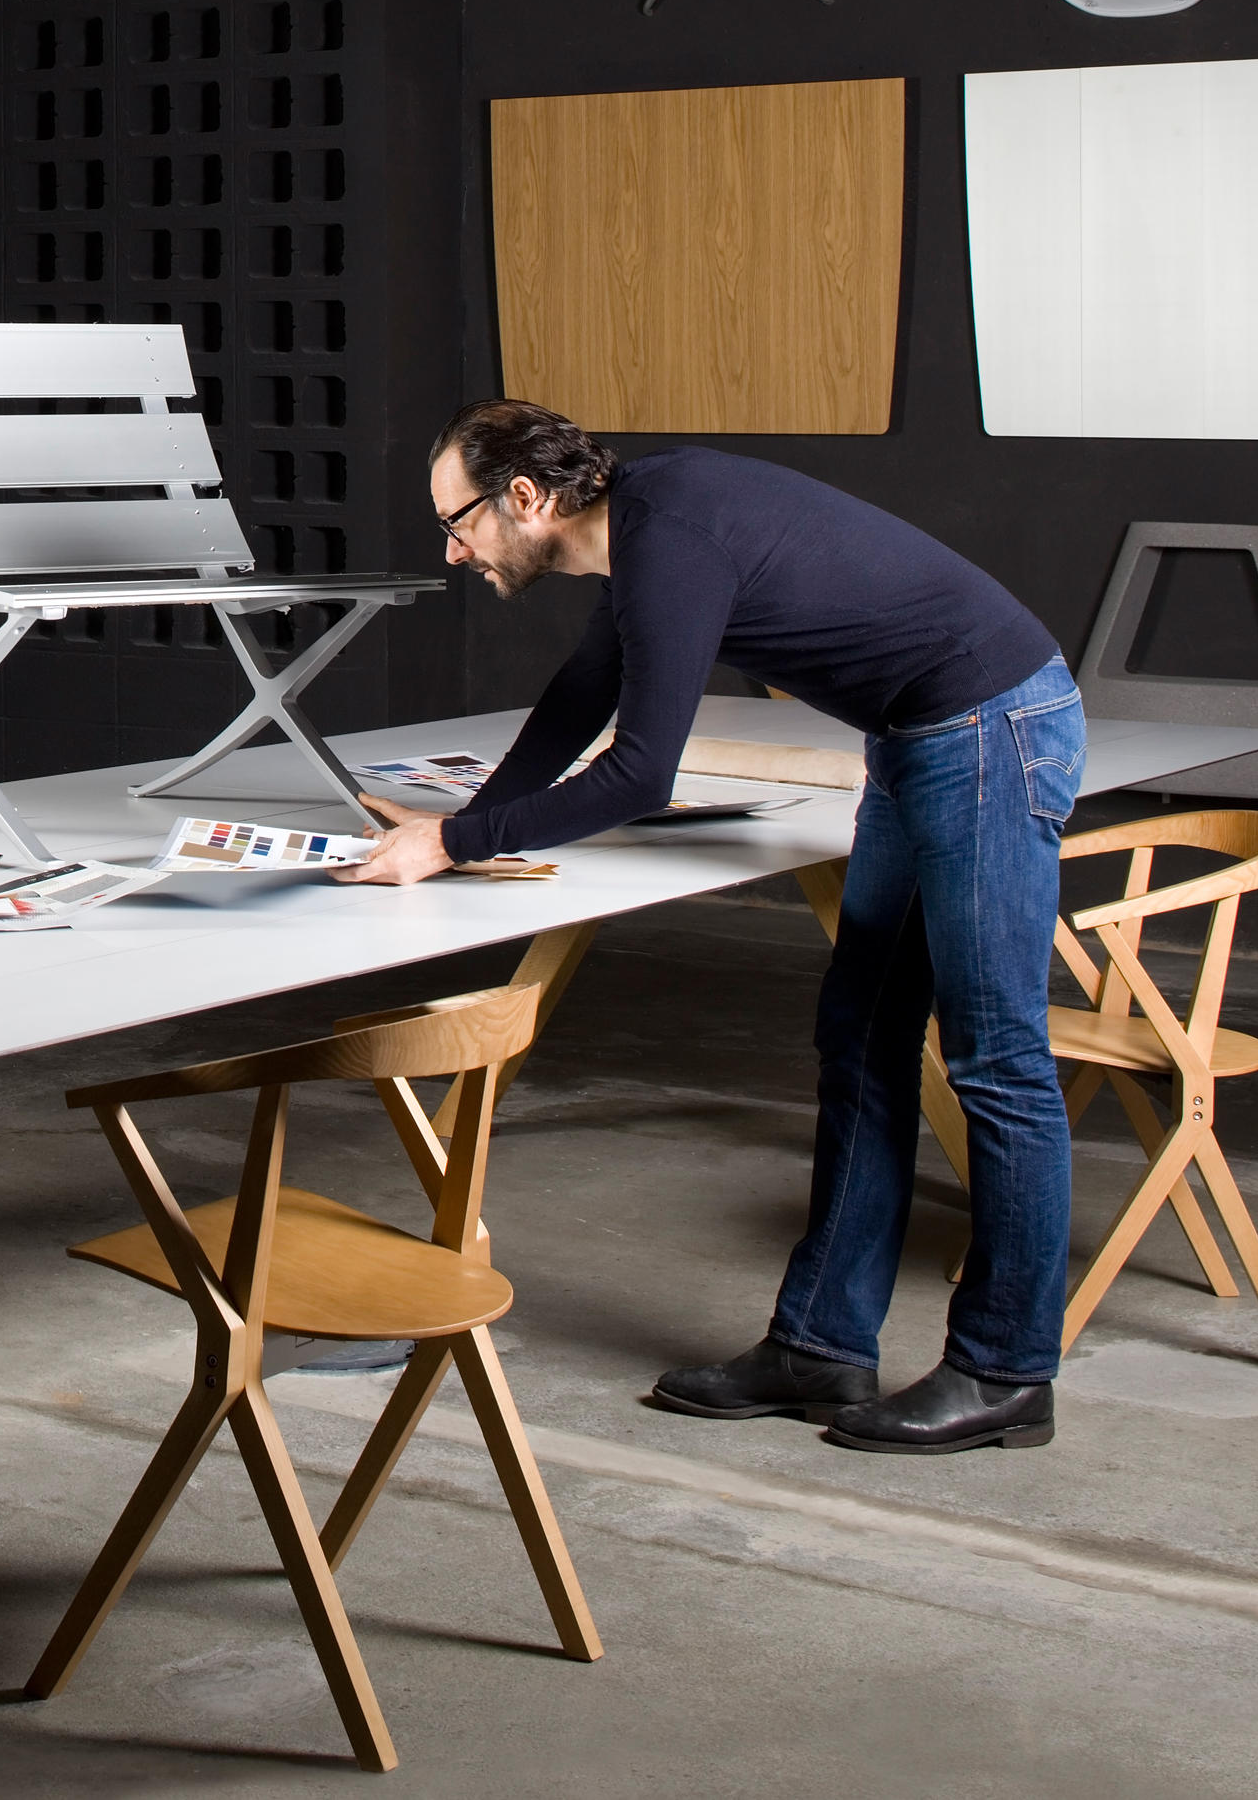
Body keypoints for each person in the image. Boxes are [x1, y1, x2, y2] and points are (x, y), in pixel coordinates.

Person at [345, 400, 1083, 1456]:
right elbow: (581, 695)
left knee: (996, 1057)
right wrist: (457, 830)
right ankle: (822, 1344)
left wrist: (453, 844)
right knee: (862, 1041)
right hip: (921, 738)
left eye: (457, 523)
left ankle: (1007, 1370)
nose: (453, 551)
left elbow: (640, 773)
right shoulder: (639, 533)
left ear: (527, 497)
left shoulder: (669, 536)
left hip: (990, 726)